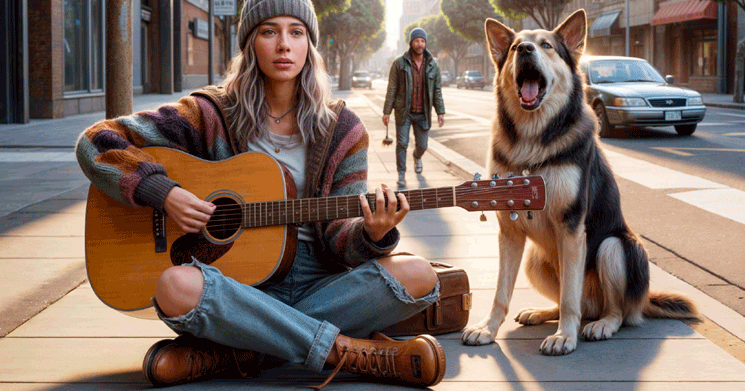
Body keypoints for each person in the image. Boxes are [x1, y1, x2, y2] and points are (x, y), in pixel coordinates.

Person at [75, 0, 445, 388]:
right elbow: (97, 142)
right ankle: (348, 353)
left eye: (296, 32)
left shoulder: (343, 129)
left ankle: (238, 347)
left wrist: (371, 234)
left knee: (418, 275)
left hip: (318, 281)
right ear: (251, 43)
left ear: (309, 46)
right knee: (173, 285)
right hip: (234, 285)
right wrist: (163, 193)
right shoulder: (209, 113)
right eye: (270, 31)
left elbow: (340, 242)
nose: (284, 45)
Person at [382, 27, 446, 188]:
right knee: (401, 143)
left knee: (423, 145)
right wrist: (386, 111)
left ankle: (417, 157)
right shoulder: (399, 63)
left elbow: (437, 90)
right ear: (411, 42)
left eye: (422, 41)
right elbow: (392, 88)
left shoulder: (433, 65)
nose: (420, 44)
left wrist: (440, 112)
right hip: (404, 111)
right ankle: (401, 174)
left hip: (423, 112)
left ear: (426, 43)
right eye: (417, 40)